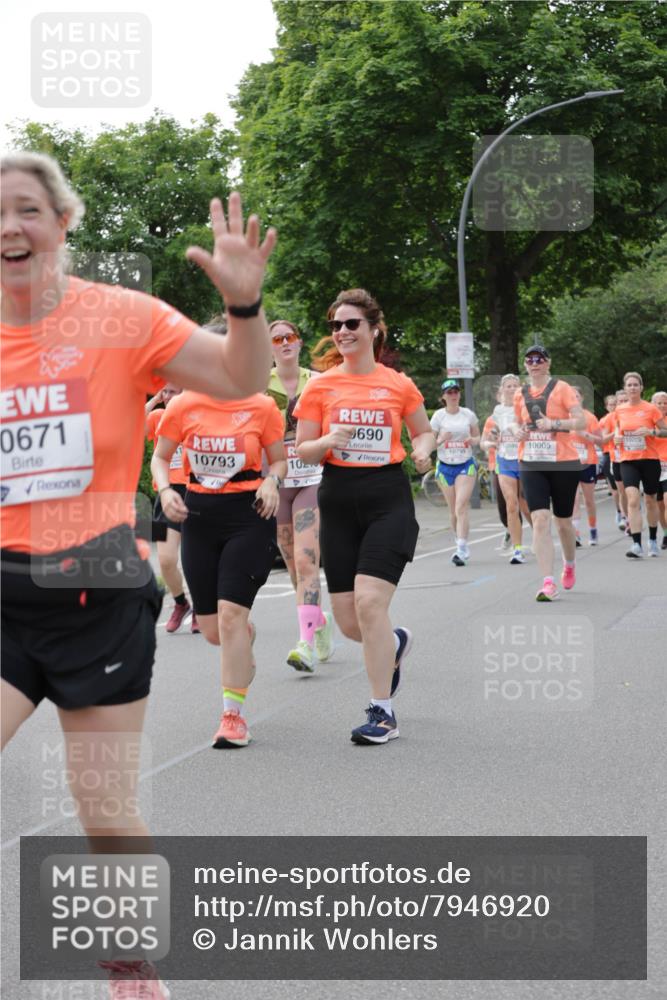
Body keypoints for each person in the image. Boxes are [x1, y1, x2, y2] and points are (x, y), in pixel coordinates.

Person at [1, 152, 276, 999]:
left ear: (62, 222)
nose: (10, 228)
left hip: (97, 594)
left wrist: (243, 302)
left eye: (26, 210)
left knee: (105, 815)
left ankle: (128, 959)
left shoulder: (120, 318)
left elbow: (240, 377)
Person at [294, 289, 434, 745]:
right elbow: (304, 449)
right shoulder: (320, 386)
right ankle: (392, 645)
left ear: (375, 329)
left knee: (370, 603)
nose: (342, 332)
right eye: (336, 325)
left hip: (386, 496)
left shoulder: (397, 384)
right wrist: (330, 438)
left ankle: (382, 712)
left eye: (352, 323)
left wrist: (422, 451)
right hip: (337, 498)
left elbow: (424, 430)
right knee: (352, 622)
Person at [152, 317, 286, 749]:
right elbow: (160, 458)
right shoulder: (182, 405)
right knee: (213, 630)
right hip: (200, 516)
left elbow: (279, 460)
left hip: (249, 514)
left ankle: (232, 716)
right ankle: (241, 639)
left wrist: (271, 481)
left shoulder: (261, 406)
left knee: (230, 616)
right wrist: (167, 489)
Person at [266, 320, 334, 673]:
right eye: (277, 339)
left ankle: (304, 643)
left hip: (312, 477)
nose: (284, 342)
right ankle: (317, 619)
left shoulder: (318, 381)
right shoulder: (260, 385)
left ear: (299, 342)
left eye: (289, 337)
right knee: (293, 564)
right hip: (278, 483)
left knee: (307, 560)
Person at [511, 345, 585, 602]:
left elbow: (581, 422)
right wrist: (518, 431)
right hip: (532, 461)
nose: (534, 363)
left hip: (563, 462)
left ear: (548, 363)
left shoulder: (562, 388)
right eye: (530, 359)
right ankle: (547, 582)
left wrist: (554, 424)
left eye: (539, 359)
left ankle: (569, 564)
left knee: (563, 522)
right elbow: (516, 422)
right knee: (540, 519)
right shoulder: (520, 393)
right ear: (525, 364)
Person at [145, 383, 200, 633]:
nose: (170, 397)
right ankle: (181, 603)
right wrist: (154, 400)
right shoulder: (157, 417)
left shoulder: (195, 415)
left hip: (193, 492)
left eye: (175, 391)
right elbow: (131, 425)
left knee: (195, 557)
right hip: (165, 495)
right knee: (166, 560)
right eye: (166, 392)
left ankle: (202, 607)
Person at [613, 372, 667, 558]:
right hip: (628, 460)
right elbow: (617, 433)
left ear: (641, 388)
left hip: (650, 459)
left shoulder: (651, 409)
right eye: (629, 385)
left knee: (650, 500)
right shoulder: (619, 410)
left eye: (636, 384)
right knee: (633, 499)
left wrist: (651, 431)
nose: (633, 387)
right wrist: (617, 439)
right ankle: (636, 544)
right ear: (625, 388)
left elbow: (665, 431)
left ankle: (652, 540)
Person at [430, 379, 480, 566]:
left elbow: (477, 436)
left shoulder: (468, 415)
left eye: (456, 391)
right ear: (443, 396)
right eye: (449, 392)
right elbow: (429, 443)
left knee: (461, 506)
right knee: (453, 511)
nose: (453, 395)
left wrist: (472, 440)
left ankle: (461, 547)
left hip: (465, 464)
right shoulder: (438, 416)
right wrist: (441, 439)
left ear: (459, 394)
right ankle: (459, 539)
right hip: (444, 466)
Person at [492, 373, 531, 564]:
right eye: (508, 386)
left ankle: (540, 533)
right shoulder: (497, 411)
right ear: (502, 389)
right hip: (505, 460)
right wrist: (493, 438)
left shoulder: (526, 408)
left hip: (524, 459)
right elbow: (491, 434)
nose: (512, 389)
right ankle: (517, 549)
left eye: (515, 386)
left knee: (527, 503)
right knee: (511, 504)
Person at [570, 386, 602, 546]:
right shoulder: (564, 417)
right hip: (569, 463)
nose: (574, 399)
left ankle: (593, 528)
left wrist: (585, 435)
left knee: (589, 500)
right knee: (573, 499)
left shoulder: (590, 417)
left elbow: (600, 440)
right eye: (571, 396)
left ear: (582, 398)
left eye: (576, 396)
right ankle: (575, 534)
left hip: (588, 462)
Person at [480, 406, 510, 552]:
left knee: (520, 503)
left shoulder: (521, 414)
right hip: (498, 465)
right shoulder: (492, 420)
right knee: (503, 506)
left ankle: (537, 532)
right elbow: (483, 443)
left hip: (519, 464)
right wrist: (491, 443)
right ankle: (510, 529)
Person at [598, 394, 624, 529]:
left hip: (627, 455)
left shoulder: (626, 415)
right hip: (610, 454)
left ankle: (628, 516)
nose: (614, 407)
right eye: (611, 404)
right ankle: (620, 512)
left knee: (627, 489)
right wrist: (615, 433)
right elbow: (602, 440)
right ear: (607, 407)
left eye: (616, 404)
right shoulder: (605, 420)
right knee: (616, 490)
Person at [650, 391, 667, 548]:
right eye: (659, 403)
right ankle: (665, 534)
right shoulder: (648, 421)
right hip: (654, 466)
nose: (662, 406)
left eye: (665, 403)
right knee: (659, 505)